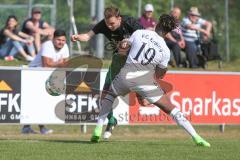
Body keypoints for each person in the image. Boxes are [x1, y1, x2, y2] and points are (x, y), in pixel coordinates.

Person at [90, 14, 211, 148]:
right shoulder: (165, 50)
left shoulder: (140, 33)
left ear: (157, 24)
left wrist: (123, 45)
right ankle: (197, 137)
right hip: (145, 80)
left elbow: (123, 47)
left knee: (109, 96)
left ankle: (98, 129)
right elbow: (159, 74)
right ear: (168, 31)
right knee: (173, 110)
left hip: (126, 75)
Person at [71, 6, 144, 139]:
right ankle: (111, 120)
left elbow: (145, 37)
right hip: (117, 62)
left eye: (112, 23)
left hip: (135, 64)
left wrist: (129, 43)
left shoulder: (130, 23)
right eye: (107, 23)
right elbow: (87, 36)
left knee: (144, 102)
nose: (109, 26)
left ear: (119, 19)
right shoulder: (103, 25)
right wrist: (78, 37)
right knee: (104, 96)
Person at [22, 29, 69, 134]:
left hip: (47, 76)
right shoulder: (47, 45)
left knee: (39, 102)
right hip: (33, 73)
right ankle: (36, 127)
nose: (61, 42)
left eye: (63, 40)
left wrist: (56, 63)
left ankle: (28, 127)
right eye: (58, 40)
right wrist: (59, 63)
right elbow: (46, 65)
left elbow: (66, 64)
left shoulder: (65, 47)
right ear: (53, 39)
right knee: (35, 101)